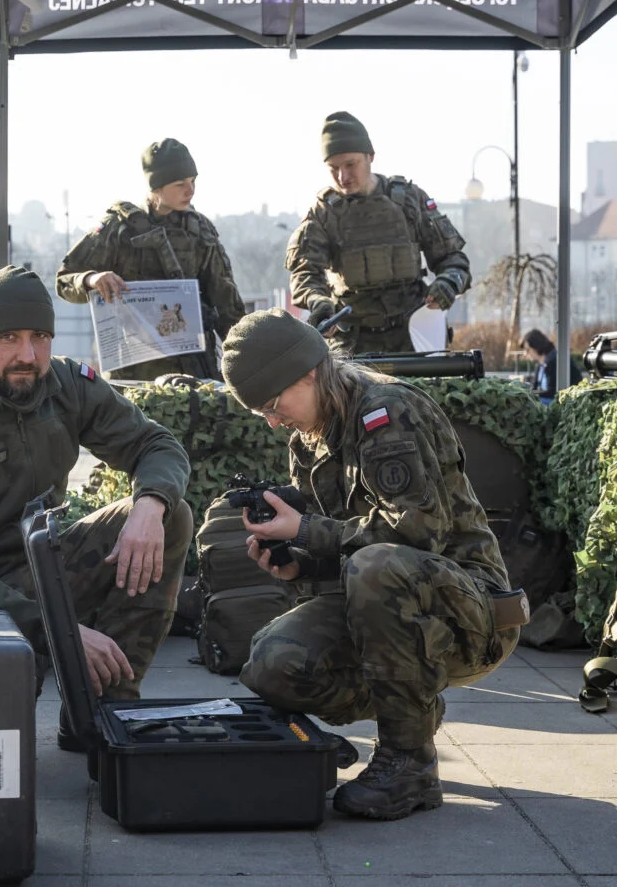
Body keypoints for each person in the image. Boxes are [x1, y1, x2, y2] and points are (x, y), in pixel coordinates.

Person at [221, 309, 521, 820]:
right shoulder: (310, 437)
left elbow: (419, 531)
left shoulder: (386, 411)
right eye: (261, 414)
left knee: (377, 566)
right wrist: (299, 566)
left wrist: (304, 531)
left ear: (309, 371)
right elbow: (345, 549)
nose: (273, 421)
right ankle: (414, 705)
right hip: (397, 600)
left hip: (474, 612)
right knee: (273, 664)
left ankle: (410, 764)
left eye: (274, 405)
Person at [0, 266, 194, 717]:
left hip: (42, 568)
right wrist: (62, 633)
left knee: (173, 513)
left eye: (40, 336)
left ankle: (106, 712)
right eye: (7, 337)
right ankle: (37, 676)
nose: (27, 355)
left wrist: (150, 507)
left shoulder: (65, 385)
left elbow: (156, 444)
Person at [55, 139, 246, 380]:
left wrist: (243, 359)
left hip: (194, 370)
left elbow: (227, 306)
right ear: (156, 187)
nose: (191, 191)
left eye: (193, 181)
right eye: (180, 184)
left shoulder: (199, 231)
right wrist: (92, 279)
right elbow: (64, 281)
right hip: (133, 375)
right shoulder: (119, 229)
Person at [287, 111, 471, 355]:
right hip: (352, 343)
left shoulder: (409, 200)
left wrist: (448, 282)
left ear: (370, 156)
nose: (343, 177)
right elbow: (304, 272)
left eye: (351, 164)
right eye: (334, 168)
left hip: (414, 336)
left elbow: (453, 260)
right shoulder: (323, 214)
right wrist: (317, 301)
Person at [521, 328, 581, 405]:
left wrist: (529, 395)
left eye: (528, 350)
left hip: (565, 403)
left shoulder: (555, 360)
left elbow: (553, 392)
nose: (525, 354)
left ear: (536, 346)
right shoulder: (540, 364)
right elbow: (534, 387)